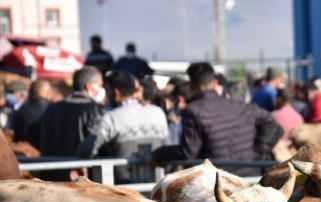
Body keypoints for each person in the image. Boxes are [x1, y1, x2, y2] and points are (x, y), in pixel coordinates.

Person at [152, 62, 282, 176]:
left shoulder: (193, 111)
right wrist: (259, 151)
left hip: (217, 184)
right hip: (250, 177)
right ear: (214, 83)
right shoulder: (241, 106)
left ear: (192, 85)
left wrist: (158, 154)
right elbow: (274, 125)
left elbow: (188, 153)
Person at [78, 71, 168, 183]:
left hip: (124, 189)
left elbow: (87, 149)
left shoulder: (112, 117)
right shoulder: (158, 112)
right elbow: (166, 146)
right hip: (156, 184)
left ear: (116, 92)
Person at [39, 66, 106, 180]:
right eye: (100, 85)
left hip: (51, 175)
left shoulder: (51, 108)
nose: (102, 89)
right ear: (89, 86)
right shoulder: (95, 109)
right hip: (81, 178)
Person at [12, 79, 52, 149]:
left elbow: (16, 133)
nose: (50, 93)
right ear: (45, 92)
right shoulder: (50, 109)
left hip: (21, 151)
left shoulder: (21, 108)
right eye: (49, 91)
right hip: (42, 153)